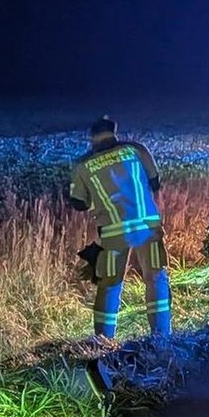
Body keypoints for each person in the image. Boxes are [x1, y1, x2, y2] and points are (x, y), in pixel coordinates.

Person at [68, 116, 170, 338]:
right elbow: (155, 181)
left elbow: (78, 203)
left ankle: (104, 340)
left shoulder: (83, 165)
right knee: (156, 278)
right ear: (114, 132)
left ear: (92, 138)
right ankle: (162, 336)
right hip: (148, 227)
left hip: (114, 232)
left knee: (110, 284)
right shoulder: (136, 150)